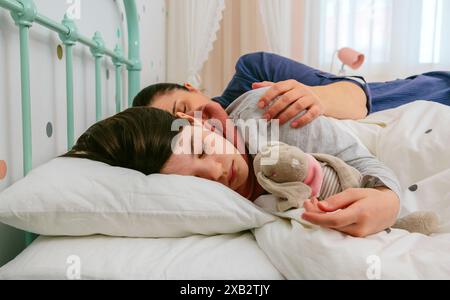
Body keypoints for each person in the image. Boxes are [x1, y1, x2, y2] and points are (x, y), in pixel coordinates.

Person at [64, 85, 401, 238]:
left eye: (200, 149)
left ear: (203, 118)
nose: (217, 172)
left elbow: (363, 159)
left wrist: (387, 200)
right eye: (195, 180)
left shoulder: (269, 113)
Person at [133, 52, 449, 128]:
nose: (196, 122)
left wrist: (314, 98)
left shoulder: (253, 71)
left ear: (192, 88)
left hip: (424, 95)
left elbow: (357, 97)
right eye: (180, 125)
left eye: (187, 109)